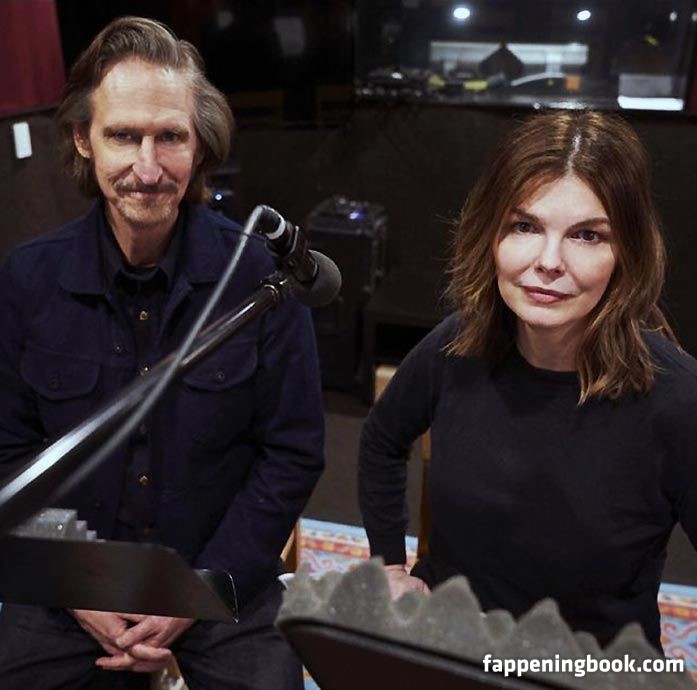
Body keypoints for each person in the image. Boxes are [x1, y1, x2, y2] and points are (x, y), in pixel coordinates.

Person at [0, 16, 324, 690]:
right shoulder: (25, 280)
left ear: (200, 145)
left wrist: (199, 591)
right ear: (83, 139)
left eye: (170, 137)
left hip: (218, 575)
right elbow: (9, 454)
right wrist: (76, 584)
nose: (147, 170)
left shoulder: (262, 278)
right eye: (123, 136)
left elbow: (291, 453)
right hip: (69, 579)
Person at [359, 110, 697, 652]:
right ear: (490, 233)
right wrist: (389, 564)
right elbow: (381, 438)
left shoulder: (678, 400)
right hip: (452, 646)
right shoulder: (455, 345)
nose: (549, 261)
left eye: (586, 235)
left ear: (627, 253)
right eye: (525, 227)